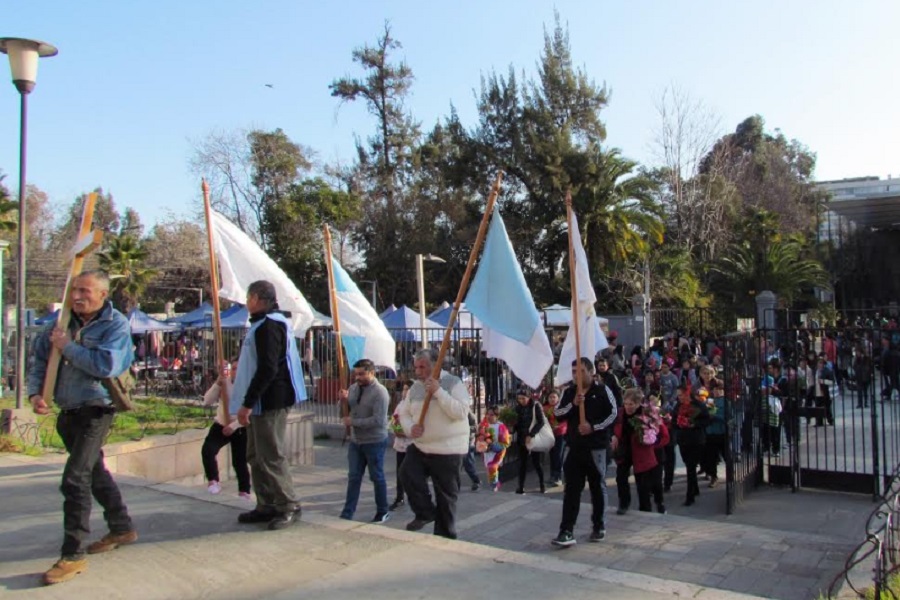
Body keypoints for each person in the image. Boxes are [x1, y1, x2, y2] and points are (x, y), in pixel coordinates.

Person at [27, 270, 137, 585]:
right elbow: (39, 360)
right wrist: (37, 392)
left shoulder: (114, 325)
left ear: (103, 295)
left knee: (76, 479)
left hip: (97, 410)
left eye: (85, 291)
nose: (77, 296)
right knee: (95, 472)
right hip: (68, 412)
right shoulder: (60, 323)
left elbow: (107, 365)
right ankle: (121, 526)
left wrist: (68, 347)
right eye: (75, 290)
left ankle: (72, 554)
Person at [232, 280, 307, 530]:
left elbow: (268, 367)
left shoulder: (271, 325)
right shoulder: (262, 324)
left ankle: (288, 504)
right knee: (255, 455)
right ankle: (267, 503)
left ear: (256, 298)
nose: (246, 302)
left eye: (248, 296)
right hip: (259, 402)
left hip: (270, 400)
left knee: (271, 454)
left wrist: (248, 402)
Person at [397, 349, 471, 539]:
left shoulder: (453, 383)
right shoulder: (414, 388)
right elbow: (403, 413)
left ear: (435, 365)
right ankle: (425, 512)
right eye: (416, 367)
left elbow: (461, 412)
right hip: (422, 446)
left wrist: (438, 391)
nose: (418, 371)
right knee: (407, 473)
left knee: (446, 496)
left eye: (423, 367)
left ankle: (445, 536)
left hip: (448, 449)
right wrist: (410, 427)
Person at [551, 358, 617, 547]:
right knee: (571, 489)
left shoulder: (602, 390)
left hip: (596, 447)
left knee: (597, 487)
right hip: (575, 447)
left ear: (590, 371)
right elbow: (558, 413)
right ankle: (566, 530)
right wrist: (573, 403)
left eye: (580, 371)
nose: (576, 375)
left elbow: (612, 414)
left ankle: (599, 525)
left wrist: (593, 427)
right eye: (573, 371)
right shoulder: (570, 392)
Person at [339, 358, 391, 523]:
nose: (358, 378)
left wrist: (353, 423)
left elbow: (379, 421)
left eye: (362, 374)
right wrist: (343, 401)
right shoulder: (353, 388)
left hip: (374, 441)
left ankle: (383, 511)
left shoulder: (380, 392)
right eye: (356, 374)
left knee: (376, 477)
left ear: (372, 373)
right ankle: (348, 512)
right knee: (354, 477)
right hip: (356, 441)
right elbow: (347, 412)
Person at [611, 388, 669, 514]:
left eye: (631, 404)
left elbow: (663, 433)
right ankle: (624, 504)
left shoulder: (648, 413)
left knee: (647, 483)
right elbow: (613, 427)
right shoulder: (620, 413)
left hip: (644, 452)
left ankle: (653, 505)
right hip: (625, 450)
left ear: (638, 403)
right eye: (626, 403)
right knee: (621, 478)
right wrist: (614, 436)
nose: (628, 407)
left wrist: (652, 442)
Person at [201, 358, 251, 500]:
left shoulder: (247, 386)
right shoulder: (224, 382)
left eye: (238, 368)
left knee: (239, 461)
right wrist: (217, 383)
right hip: (222, 423)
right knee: (208, 450)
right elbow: (207, 400)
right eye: (233, 368)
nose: (236, 371)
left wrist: (234, 426)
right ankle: (213, 481)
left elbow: (250, 411)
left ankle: (244, 490)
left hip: (239, 426)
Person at [672, 381, 710, 506]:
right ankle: (695, 488)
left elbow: (707, 420)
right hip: (683, 439)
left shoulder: (698, 405)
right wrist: (679, 423)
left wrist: (694, 424)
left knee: (691, 466)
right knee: (689, 466)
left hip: (696, 439)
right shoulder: (678, 406)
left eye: (681, 394)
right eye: (678, 395)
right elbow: (674, 421)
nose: (680, 397)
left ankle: (690, 495)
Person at [514, 388, 547, 494]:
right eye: (519, 398)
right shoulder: (518, 408)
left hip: (533, 438)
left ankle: (542, 484)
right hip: (521, 438)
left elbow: (541, 422)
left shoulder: (535, 406)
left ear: (529, 397)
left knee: (536, 462)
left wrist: (531, 434)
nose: (521, 401)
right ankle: (521, 486)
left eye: (523, 398)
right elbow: (515, 422)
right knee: (522, 463)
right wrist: (511, 429)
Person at [477, 406, 511, 491]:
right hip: (487, 452)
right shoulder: (484, 425)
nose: (489, 416)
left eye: (491, 415)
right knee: (489, 468)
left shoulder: (501, 426)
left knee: (492, 466)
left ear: (497, 416)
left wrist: (492, 445)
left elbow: (505, 443)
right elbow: (479, 436)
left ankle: (494, 486)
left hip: (497, 452)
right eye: (487, 414)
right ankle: (493, 485)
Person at [544, 390, 566, 486]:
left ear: (558, 398)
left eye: (554, 397)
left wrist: (559, 427)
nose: (552, 399)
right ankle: (552, 476)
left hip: (560, 434)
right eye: (550, 397)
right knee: (552, 455)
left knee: (558, 455)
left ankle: (558, 477)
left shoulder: (562, 408)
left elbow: (566, 421)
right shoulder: (545, 408)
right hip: (549, 435)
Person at [460, 410, 483, 491]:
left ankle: (476, 481)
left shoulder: (468, 413)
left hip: (468, 443)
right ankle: (455, 485)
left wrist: (464, 429)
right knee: (457, 465)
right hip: (458, 442)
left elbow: (475, 427)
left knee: (468, 465)